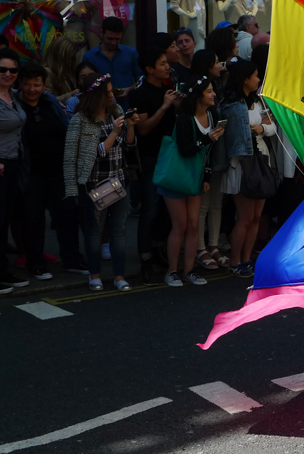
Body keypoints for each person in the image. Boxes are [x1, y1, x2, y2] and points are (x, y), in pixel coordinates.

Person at [63, 72, 138, 291]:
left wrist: (130, 126)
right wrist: (114, 132)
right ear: (96, 96)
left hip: (119, 181)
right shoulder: (80, 120)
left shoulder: (117, 112)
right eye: (108, 93)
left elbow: (129, 146)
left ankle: (119, 276)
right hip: (95, 184)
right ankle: (94, 275)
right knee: (95, 232)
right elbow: (86, 155)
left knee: (119, 230)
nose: (113, 96)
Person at [16, 62, 87, 280]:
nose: (31, 89)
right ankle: (36, 264)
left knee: (67, 215)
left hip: (58, 170)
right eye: (27, 84)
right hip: (31, 172)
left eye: (36, 84)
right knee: (34, 220)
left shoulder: (50, 102)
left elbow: (64, 128)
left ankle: (72, 259)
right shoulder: (15, 106)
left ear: (44, 85)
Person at [159, 75, 224, 287]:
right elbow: (186, 149)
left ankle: (189, 270)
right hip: (177, 176)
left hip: (196, 176)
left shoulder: (212, 114)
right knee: (180, 225)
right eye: (209, 91)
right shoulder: (184, 117)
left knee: (194, 225)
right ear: (198, 96)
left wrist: (206, 176)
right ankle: (172, 271)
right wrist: (208, 138)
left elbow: (209, 152)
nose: (214, 94)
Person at [130, 47, 181, 285]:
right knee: (150, 208)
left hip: (170, 157)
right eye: (162, 63)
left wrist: (176, 105)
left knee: (165, 209)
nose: (166, 66)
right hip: (150, 157)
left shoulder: (167, 90)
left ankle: (161, 251)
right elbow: (143, 128)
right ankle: (145, 259)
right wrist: (164, 105)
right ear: (150, 68)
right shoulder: (141, 94)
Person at [220, 59, 273, 277]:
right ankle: (235, 261)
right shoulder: (232, 105)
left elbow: (272, 127)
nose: (259, 79)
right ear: (245, 78)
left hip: (260, 159)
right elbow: (234, 138)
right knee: (244, 216)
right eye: (255, 75)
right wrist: (261, 127)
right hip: (242, 164)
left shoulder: (257, 102)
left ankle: (246, 258)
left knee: (256, 217)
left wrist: (259, 127)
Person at [190, 50, 229, 269]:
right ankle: (201, 248)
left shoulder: (219, 86)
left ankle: (213, 245)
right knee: (203, 206)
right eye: (216, 61)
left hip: (217, 154)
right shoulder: (193, 99)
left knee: (216, 203)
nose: (220, 64)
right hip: (200, 159)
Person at [0, 48, 28, 292]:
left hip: (13, 163)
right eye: (2, 69)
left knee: (5, 218)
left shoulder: (13, 96)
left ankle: (3, 270)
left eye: (12, 70)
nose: (8, 74)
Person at [82, 17, 141, 110]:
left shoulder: (130, 53)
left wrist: (129, 89)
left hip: (127, 106)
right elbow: (85, 85)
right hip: (100, 108)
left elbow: (141, 78)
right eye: (110, 38)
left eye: (117, 39)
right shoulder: (89, 57)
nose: (113, 42)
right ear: (102, 33)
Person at [43, 36, 80, 104]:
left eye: (71, 58)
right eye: (68, 58)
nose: (70, 61)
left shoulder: (68, 71)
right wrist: (70, 94)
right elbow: (45, 99)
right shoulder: (47, 73)